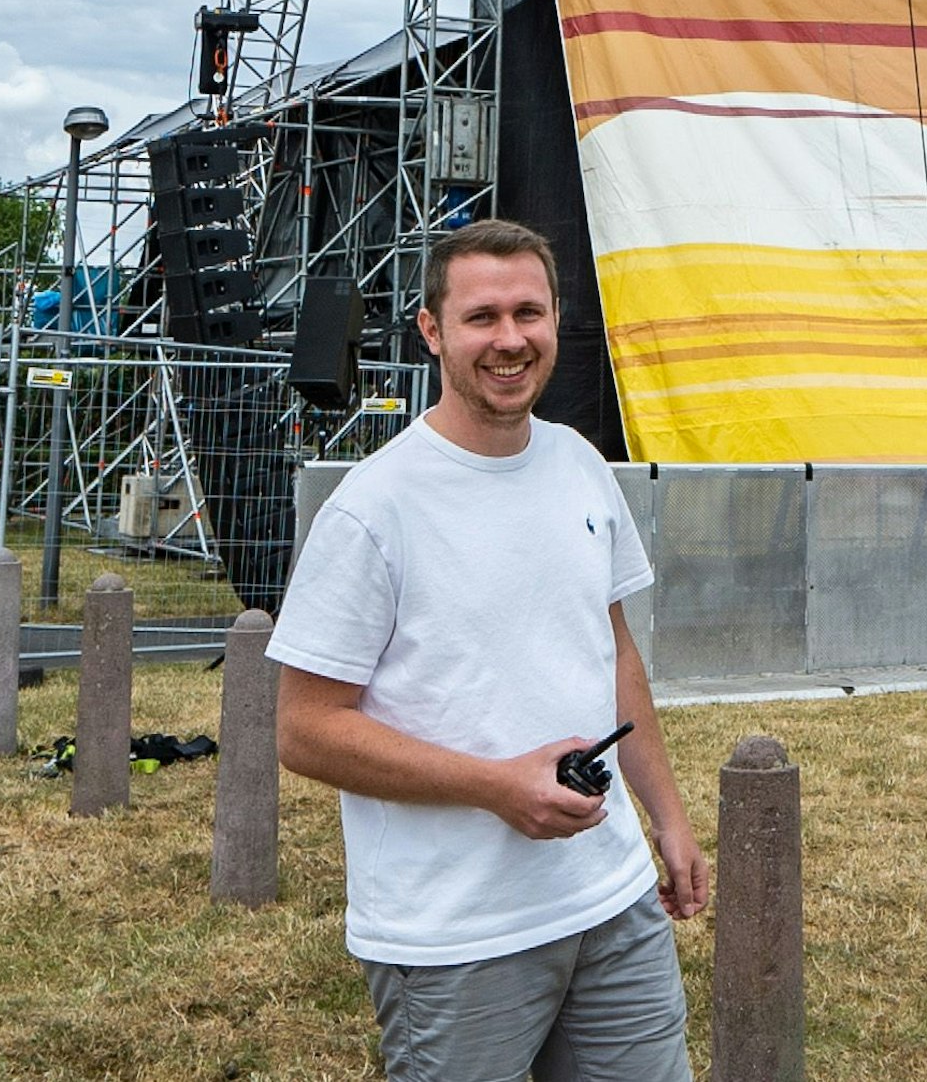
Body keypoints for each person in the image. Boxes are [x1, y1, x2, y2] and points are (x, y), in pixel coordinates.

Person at [268, 219, 709, 1082]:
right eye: (481, 318)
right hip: (456, 934)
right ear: (431, 330)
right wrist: (496, 787)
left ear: (554, 322)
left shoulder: (580, 463)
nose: (509, 340)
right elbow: (305, 731)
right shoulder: (374, 508)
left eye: (528, 313)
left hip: (611, 902)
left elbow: (612, 654)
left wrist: (667, 818)